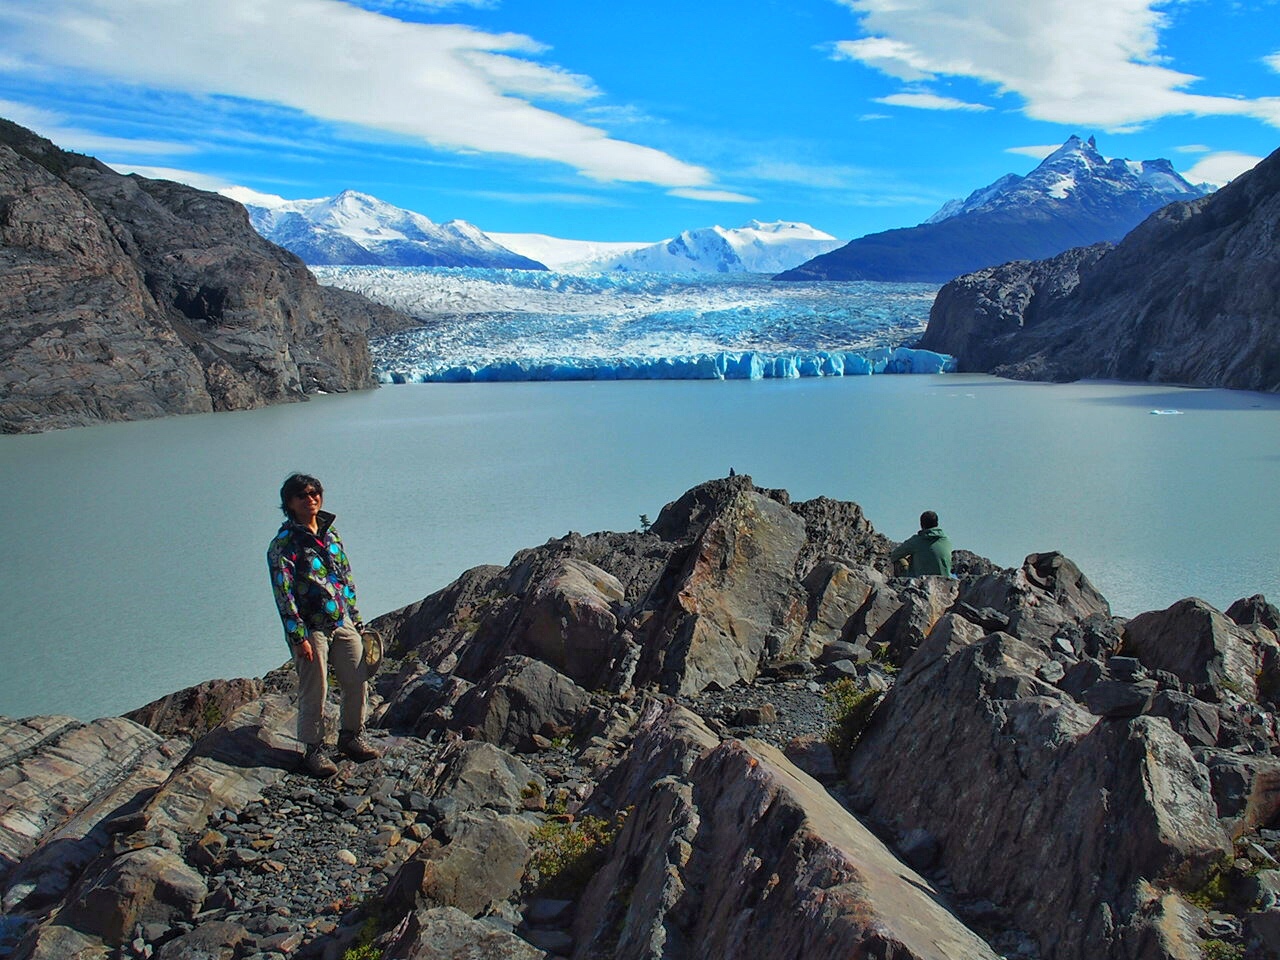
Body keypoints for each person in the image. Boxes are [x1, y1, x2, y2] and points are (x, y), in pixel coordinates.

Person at [267, 473, 382, 777]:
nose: (311, 499)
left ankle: (352, 736)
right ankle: (314, 750)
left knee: (357, 678)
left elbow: (345, 577)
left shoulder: (331, 534)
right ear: (289, 503)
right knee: (315, 688)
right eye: (302, 495)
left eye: (315, 492)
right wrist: (297, 635)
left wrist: (356, 620)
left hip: (341, 621)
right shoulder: (283, 544)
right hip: (310, 627)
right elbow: (284, 592)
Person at [889, 510, 954, 577]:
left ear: (921, 524)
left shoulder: (917, 540)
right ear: (937, 523)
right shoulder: (946, 540)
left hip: (922, 581)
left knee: (900, 560)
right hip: (945, 580)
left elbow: (894, 555)